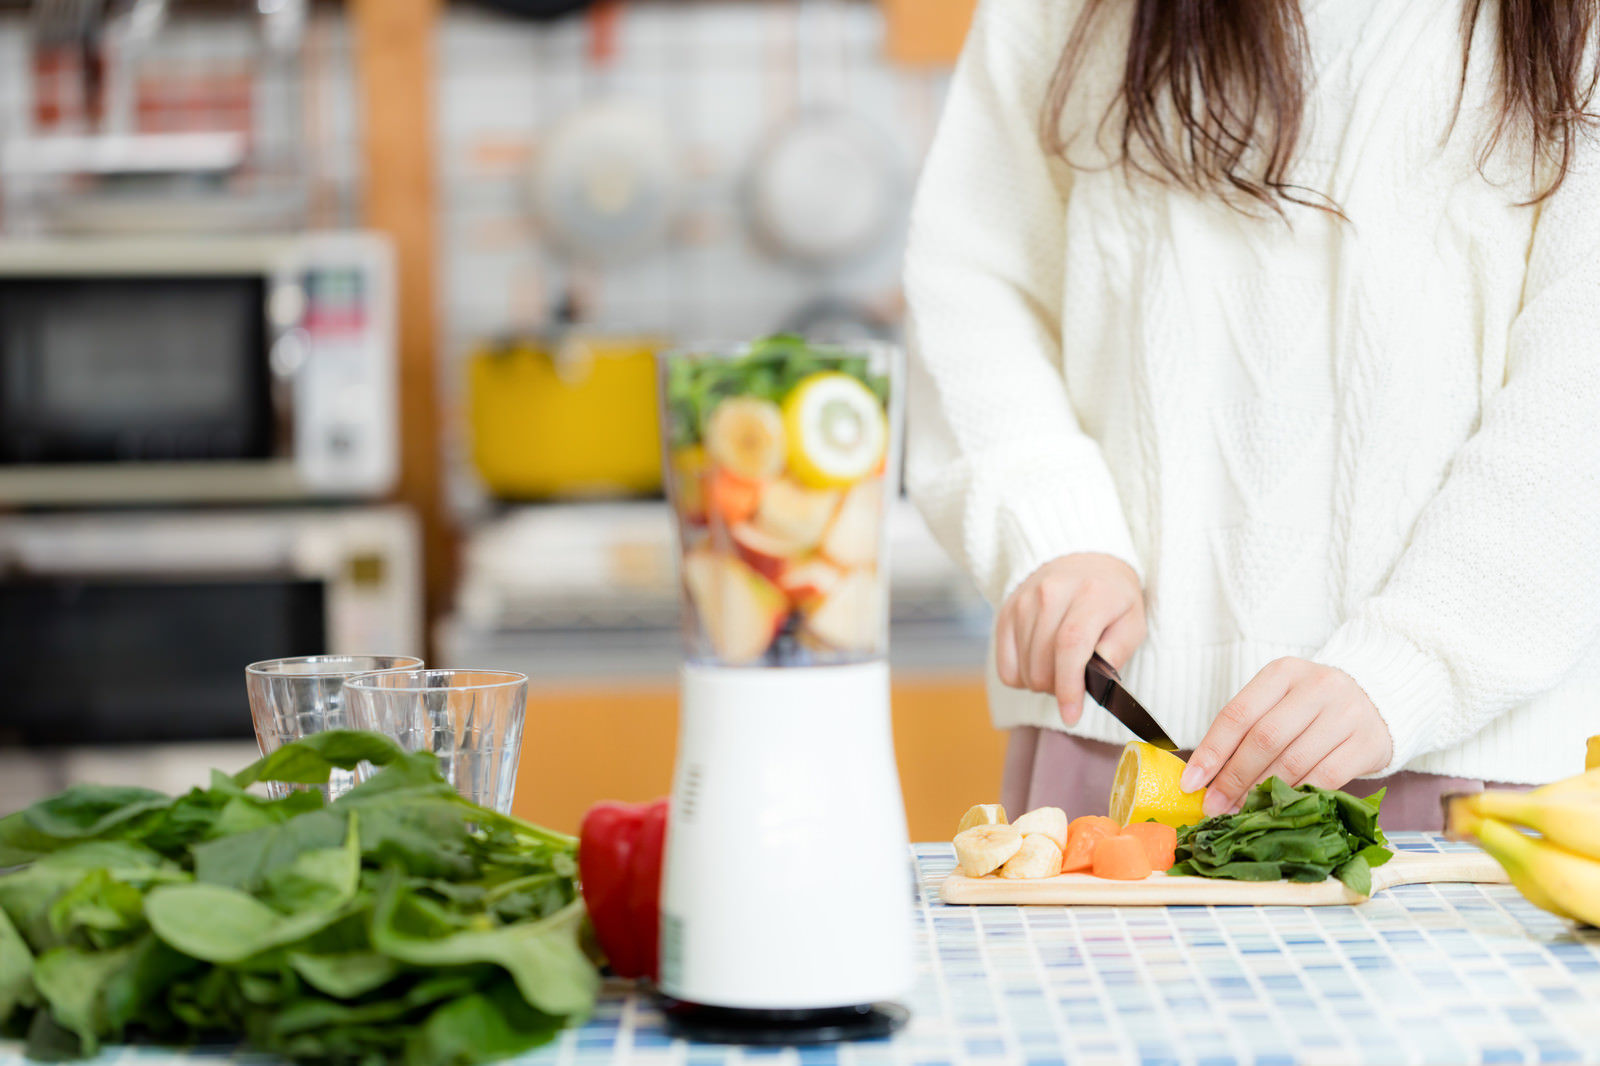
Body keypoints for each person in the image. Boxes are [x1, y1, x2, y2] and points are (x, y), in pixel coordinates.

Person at [904, 0, 1600, 830]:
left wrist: (1415, 662)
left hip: (1473, 767)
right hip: (1120, 741)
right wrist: (1052, 526)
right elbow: (977, 276)